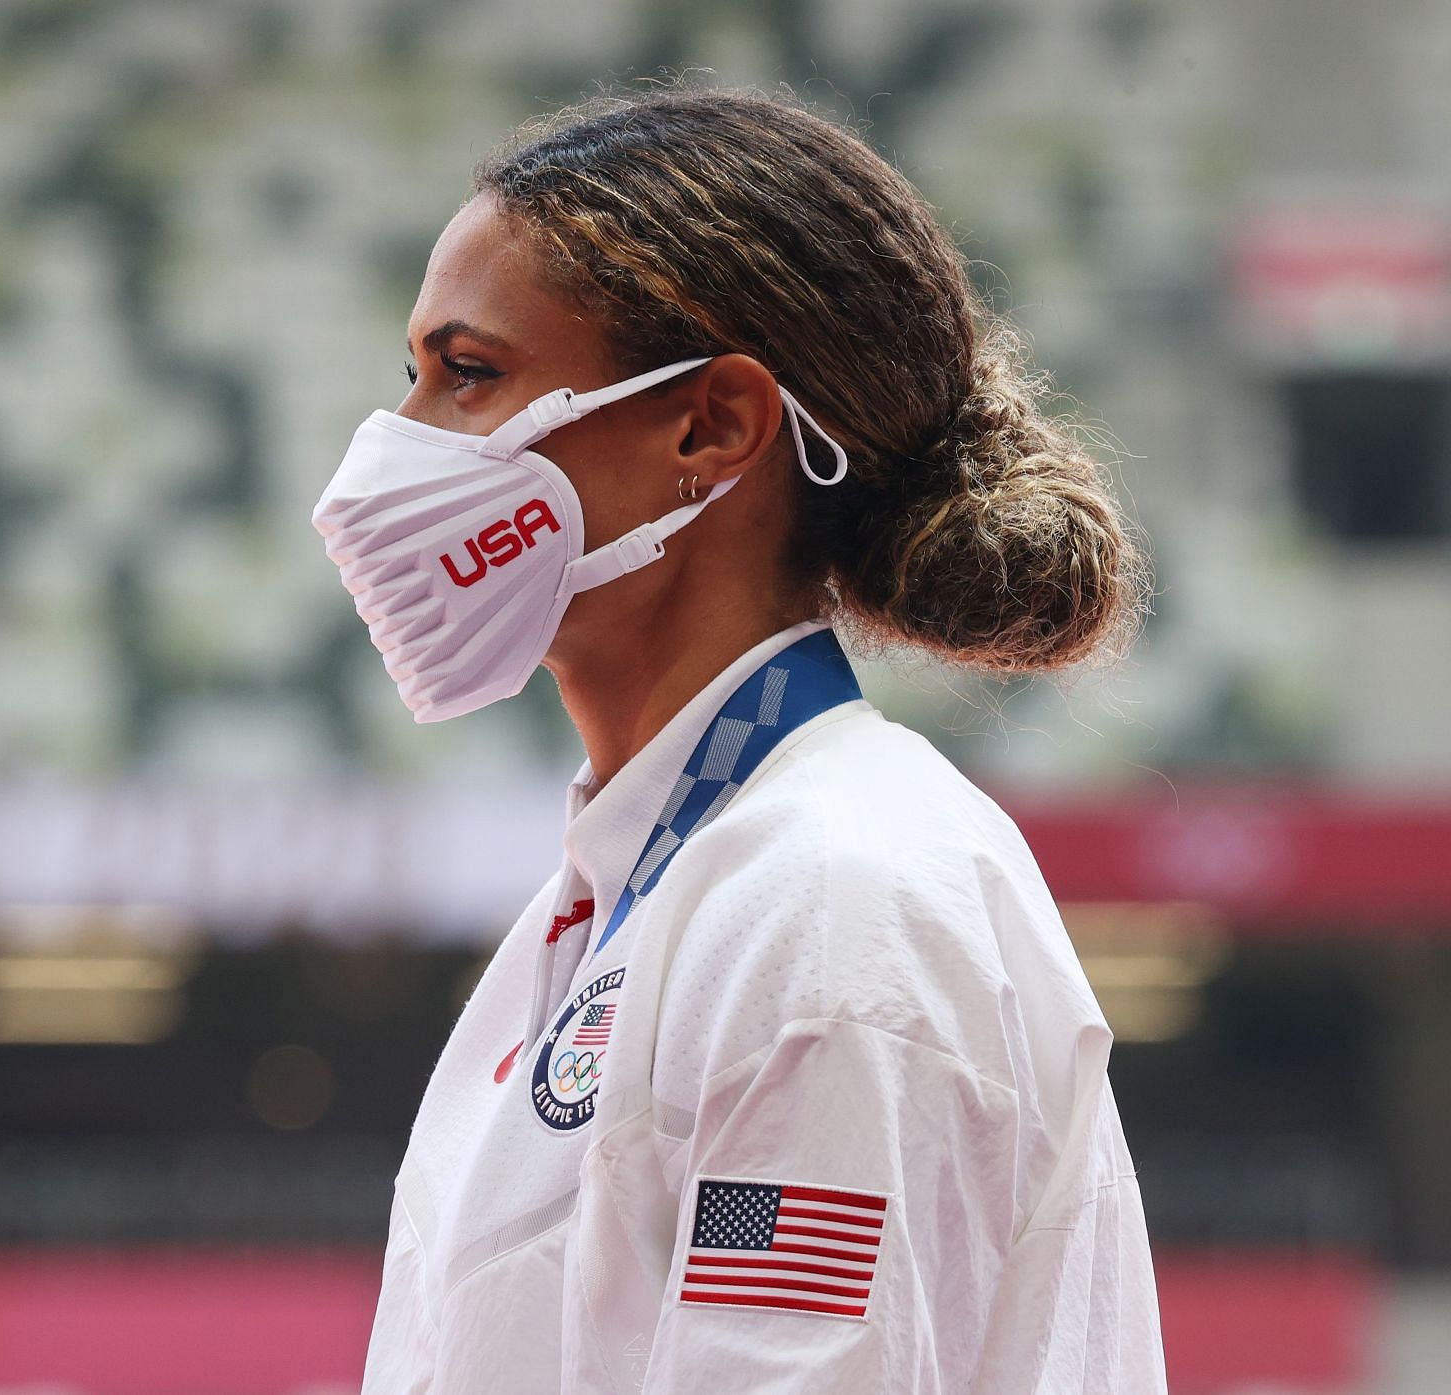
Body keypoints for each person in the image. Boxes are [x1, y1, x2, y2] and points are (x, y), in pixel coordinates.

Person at [312, 86, 1165, 1394]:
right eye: (413, 374)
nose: (398, 447)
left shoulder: (836, 897)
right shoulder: (624, 898)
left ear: (710, 428)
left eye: (471, 374)